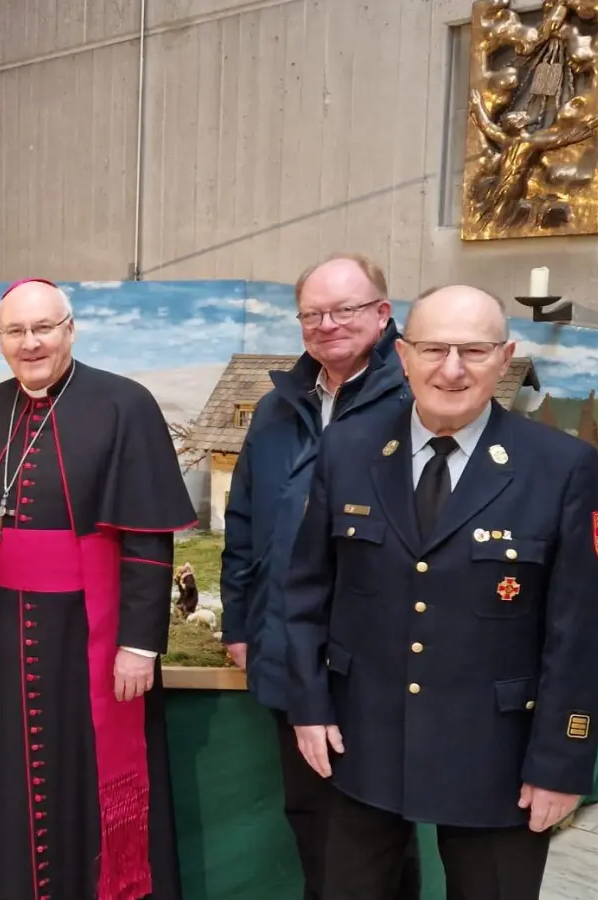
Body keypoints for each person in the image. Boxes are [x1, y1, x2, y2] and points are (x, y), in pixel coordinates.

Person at [284, 285, 598, 900]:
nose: (451, 369)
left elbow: (580, 632)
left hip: (498, 760)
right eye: (433, 349)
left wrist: (562, 764)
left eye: (473, 351)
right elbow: (304, 594)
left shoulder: (562, 467)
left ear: (505, 357)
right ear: (402, 355)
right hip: (362, 746)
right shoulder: (348, 449)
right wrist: (310, 704)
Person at [0, 278, 198, 900]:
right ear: (0, 341)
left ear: (71, 329)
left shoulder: (125, 404)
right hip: (2, 635)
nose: (31, 342)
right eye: (16, 331)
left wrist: (140, 645)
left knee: (86, 775)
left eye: (44, 327)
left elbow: (150, 539)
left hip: (90, 635)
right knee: (6, 778)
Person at [218, 253, 418, 900]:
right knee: (310, 817)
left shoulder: (416, 398)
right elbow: (244, 518)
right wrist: (242, 621)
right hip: (288, 651)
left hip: (379, 660)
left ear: (384, 314)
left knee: (372, 828)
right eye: (313, 313)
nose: (328, 324)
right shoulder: (280, 406)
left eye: (347, 310)